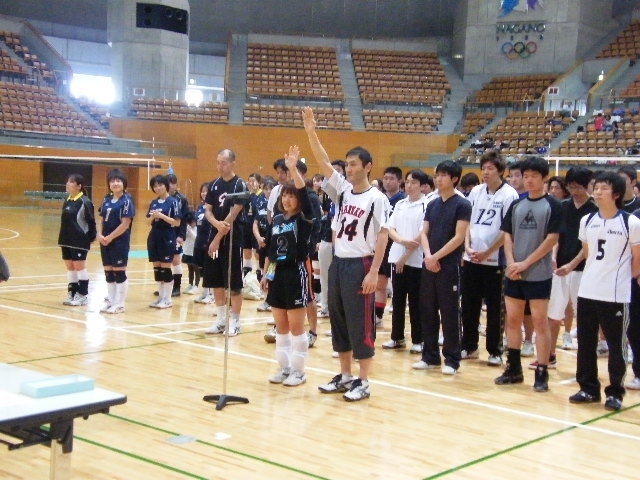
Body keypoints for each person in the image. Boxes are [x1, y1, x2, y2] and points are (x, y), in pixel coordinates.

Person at [303, 106, 390, 402]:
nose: (349, 169)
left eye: (354, 164)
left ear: (368, 166)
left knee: (360, 323)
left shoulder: (377, 199)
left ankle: (364, 381)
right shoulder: (343, 191)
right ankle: (345, 375)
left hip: (361, 263)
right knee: (339, 320)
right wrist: (311, 132)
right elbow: (324, 162)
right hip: (339, 263)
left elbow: (382, 236)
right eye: (348, 165)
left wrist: (374, 271)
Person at [569, 171, 640, 411]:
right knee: (586, 343)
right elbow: (588, 255)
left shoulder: (630, 222)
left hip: (616, 295)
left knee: (616, 345)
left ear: (616, 194)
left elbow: (637, 261)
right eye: (596, 188)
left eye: (603, 188)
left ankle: (615, 392)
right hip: (588, 290)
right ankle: (588, 388)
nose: (597, 192)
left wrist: (619, 279)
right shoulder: (587, 220)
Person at [495, 156, 561, 392]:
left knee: (540, 323)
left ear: (544, 178)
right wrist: (512, 263)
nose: (529, 180)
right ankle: (513, 369)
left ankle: (541, 372)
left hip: (538, 274)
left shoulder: (553, 206)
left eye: (534, 176)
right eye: (526, 176)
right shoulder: (516, 205)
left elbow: (551, 239)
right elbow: (507, 235)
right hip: (514, 273)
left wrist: (525, 264)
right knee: (512, 321)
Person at [262, 145, 315, 386]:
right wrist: (267, 275)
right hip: (278, 275)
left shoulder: (303, 220)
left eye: (291, 195)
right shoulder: (277, 221)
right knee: (280, 326)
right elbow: (272, 252)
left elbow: (304, 194)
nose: (287, 198)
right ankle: (284, 369)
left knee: (296, 327)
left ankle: (299, 371)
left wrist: (293, 168)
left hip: (296, 273)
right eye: (284, 195)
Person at [412, 161, 471, 375]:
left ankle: (452, 359)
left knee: (449, 312)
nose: (438, 179)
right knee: (427, 310)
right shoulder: (433, 204)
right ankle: (430, 356)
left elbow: (459, 237)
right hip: (429, 264)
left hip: (448, 266)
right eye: (436, 175)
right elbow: (424, 232)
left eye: (443, 175)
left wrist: (436, 257)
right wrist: (428, 256)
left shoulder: (462, 204)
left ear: (454, 179)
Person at [460, 150, 519, 366]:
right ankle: (469, 345)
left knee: (495, 308)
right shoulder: (475, 191)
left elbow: (506, 230)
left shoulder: (509, 194)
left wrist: (488, 251)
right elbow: (467, 221)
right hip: (471, 258)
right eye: (483, 168)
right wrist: (467, 247)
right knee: (469, 305)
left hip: (496, 260)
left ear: (501, 171)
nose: (485, 172)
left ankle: (495, 350)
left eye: (490, 168)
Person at [534, 167, 596, 368]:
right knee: (553, 314)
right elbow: (556, 236)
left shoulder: (594, 211)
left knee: (585, 318)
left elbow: (590, 246)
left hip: (584, 271)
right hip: (560, 268)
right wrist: (554, 258)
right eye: (571, 187)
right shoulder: (562, 207)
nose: (575, 191)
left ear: (588, 186)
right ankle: (549, 355)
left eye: (579, 187)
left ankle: (586, 362)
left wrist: (572, 265)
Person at [382, 169, 429, 354]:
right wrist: (401, 242)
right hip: (397, 258)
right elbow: (390, 228)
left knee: (416, 302)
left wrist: (404, 256)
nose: (409, 185)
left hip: (416, 261)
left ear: (423, 186)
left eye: (414, 182)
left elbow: (421, 234)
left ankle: (418, 340)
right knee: (398, 300)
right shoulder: (400, 204)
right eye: (408, 182)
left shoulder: (427, 205)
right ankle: (397, 337)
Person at [203, 148, 248, 336]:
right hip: (215, 239)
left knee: (233, 284)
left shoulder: (240, 185)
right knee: (216, 282)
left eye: (224, 162)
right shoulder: (213, 185)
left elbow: (234, 213)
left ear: (232, 163)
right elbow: (207, 211)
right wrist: (215, 224)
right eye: (218, 162)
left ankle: (235, 322)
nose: (220, 166)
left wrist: (218, 234)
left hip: (232, 242)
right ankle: (221, 320)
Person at [506, 160, 535, 357]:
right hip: (509, 260)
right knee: (509, 307)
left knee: (529, 309)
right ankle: (510, 343)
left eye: (519, 175)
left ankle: (528, 340)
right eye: (512, 176)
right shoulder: (512, 201)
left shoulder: (535, 201)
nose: (515, 179)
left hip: (531, 262)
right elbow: (506, 232)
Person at [97, 168, 135, 314]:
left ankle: (119, 304)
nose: (115, 183)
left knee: (119, 272)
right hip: (105, 241)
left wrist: (110, 237)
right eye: (112, 181)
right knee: (109, 273)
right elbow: (101, 219)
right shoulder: (106, 199)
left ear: (124, 183)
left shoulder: (126, 201)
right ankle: (111, 302)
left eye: (118, 181)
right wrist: (99, 235)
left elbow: (125, 224)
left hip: (119, 242)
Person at [375, 166, 406, 329]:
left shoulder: (403, 201)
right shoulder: (379, 198)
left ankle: (398, 324)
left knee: (395, 286)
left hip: (397, 248)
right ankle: (378, 315)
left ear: (399, 181)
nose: (387, 181)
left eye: (391, 178)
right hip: (381, 246)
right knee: (379, 283)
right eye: (385, 178)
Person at [58, 173, 96, 306]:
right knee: (70, 267)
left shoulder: (85, 202)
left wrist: (90, 238)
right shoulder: (67, 200)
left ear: (79, 186)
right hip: (66, 239)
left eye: (71, 182)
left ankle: (83, 295)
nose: (68, 184)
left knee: (79, 267)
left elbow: (91, 222)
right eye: (67, 181)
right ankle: (72, 293)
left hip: (79, 240)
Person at [146, 174, 181, 309]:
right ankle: (160, 297)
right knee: (157, 269)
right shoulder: (153, 203)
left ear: (166, 185)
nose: (158, 187)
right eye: (155, 186)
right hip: (154, 236)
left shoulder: (173, 202)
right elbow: (147, 221)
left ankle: (167, 299)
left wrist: (162, 216)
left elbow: (177, 222)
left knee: (166, 268)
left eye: (160, 184)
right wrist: (152, 217)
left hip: (167, 236)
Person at [167, 174, 190, 297]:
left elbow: (184, 219)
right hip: (165, 234)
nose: (171, 185)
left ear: (176, 184)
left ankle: (177, 287)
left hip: (176, 234)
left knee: (176, 260)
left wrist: (181, 235)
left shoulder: (181, 199)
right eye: (169, 183)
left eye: (173, 183)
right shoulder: (162, 198)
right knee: (165, 260)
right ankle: (166, 287)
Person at [254, 178, 274, 314]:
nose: (268, 191)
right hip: (261, 241)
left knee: (270, 270)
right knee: (262, 269)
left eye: (270, 188)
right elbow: (255, 223)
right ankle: (266, 297)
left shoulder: (277, 204)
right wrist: (258, 238)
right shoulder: (260, 204)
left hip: (271, 241)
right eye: (266, 188)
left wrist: (268, 239)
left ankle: (270, 299)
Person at [193, 182, 214, 304]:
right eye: (202, 191)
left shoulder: (213, 208)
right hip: (199, 241)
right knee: (200, 268)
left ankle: (210, 294)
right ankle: (204, 292)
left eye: (207, 191)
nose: (204, 193)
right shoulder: (200, 207)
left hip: (209, 241)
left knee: (208, 268)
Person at [181, 210, 199, 295]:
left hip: (195, 252)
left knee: (196, 269)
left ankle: (196, 285)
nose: (193, 224)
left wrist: (190, 231)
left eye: (193, 222)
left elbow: (196, 238)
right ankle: (190, 284)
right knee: (190, 269)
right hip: (187, 251)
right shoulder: (186, 228)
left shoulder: (197, 228)